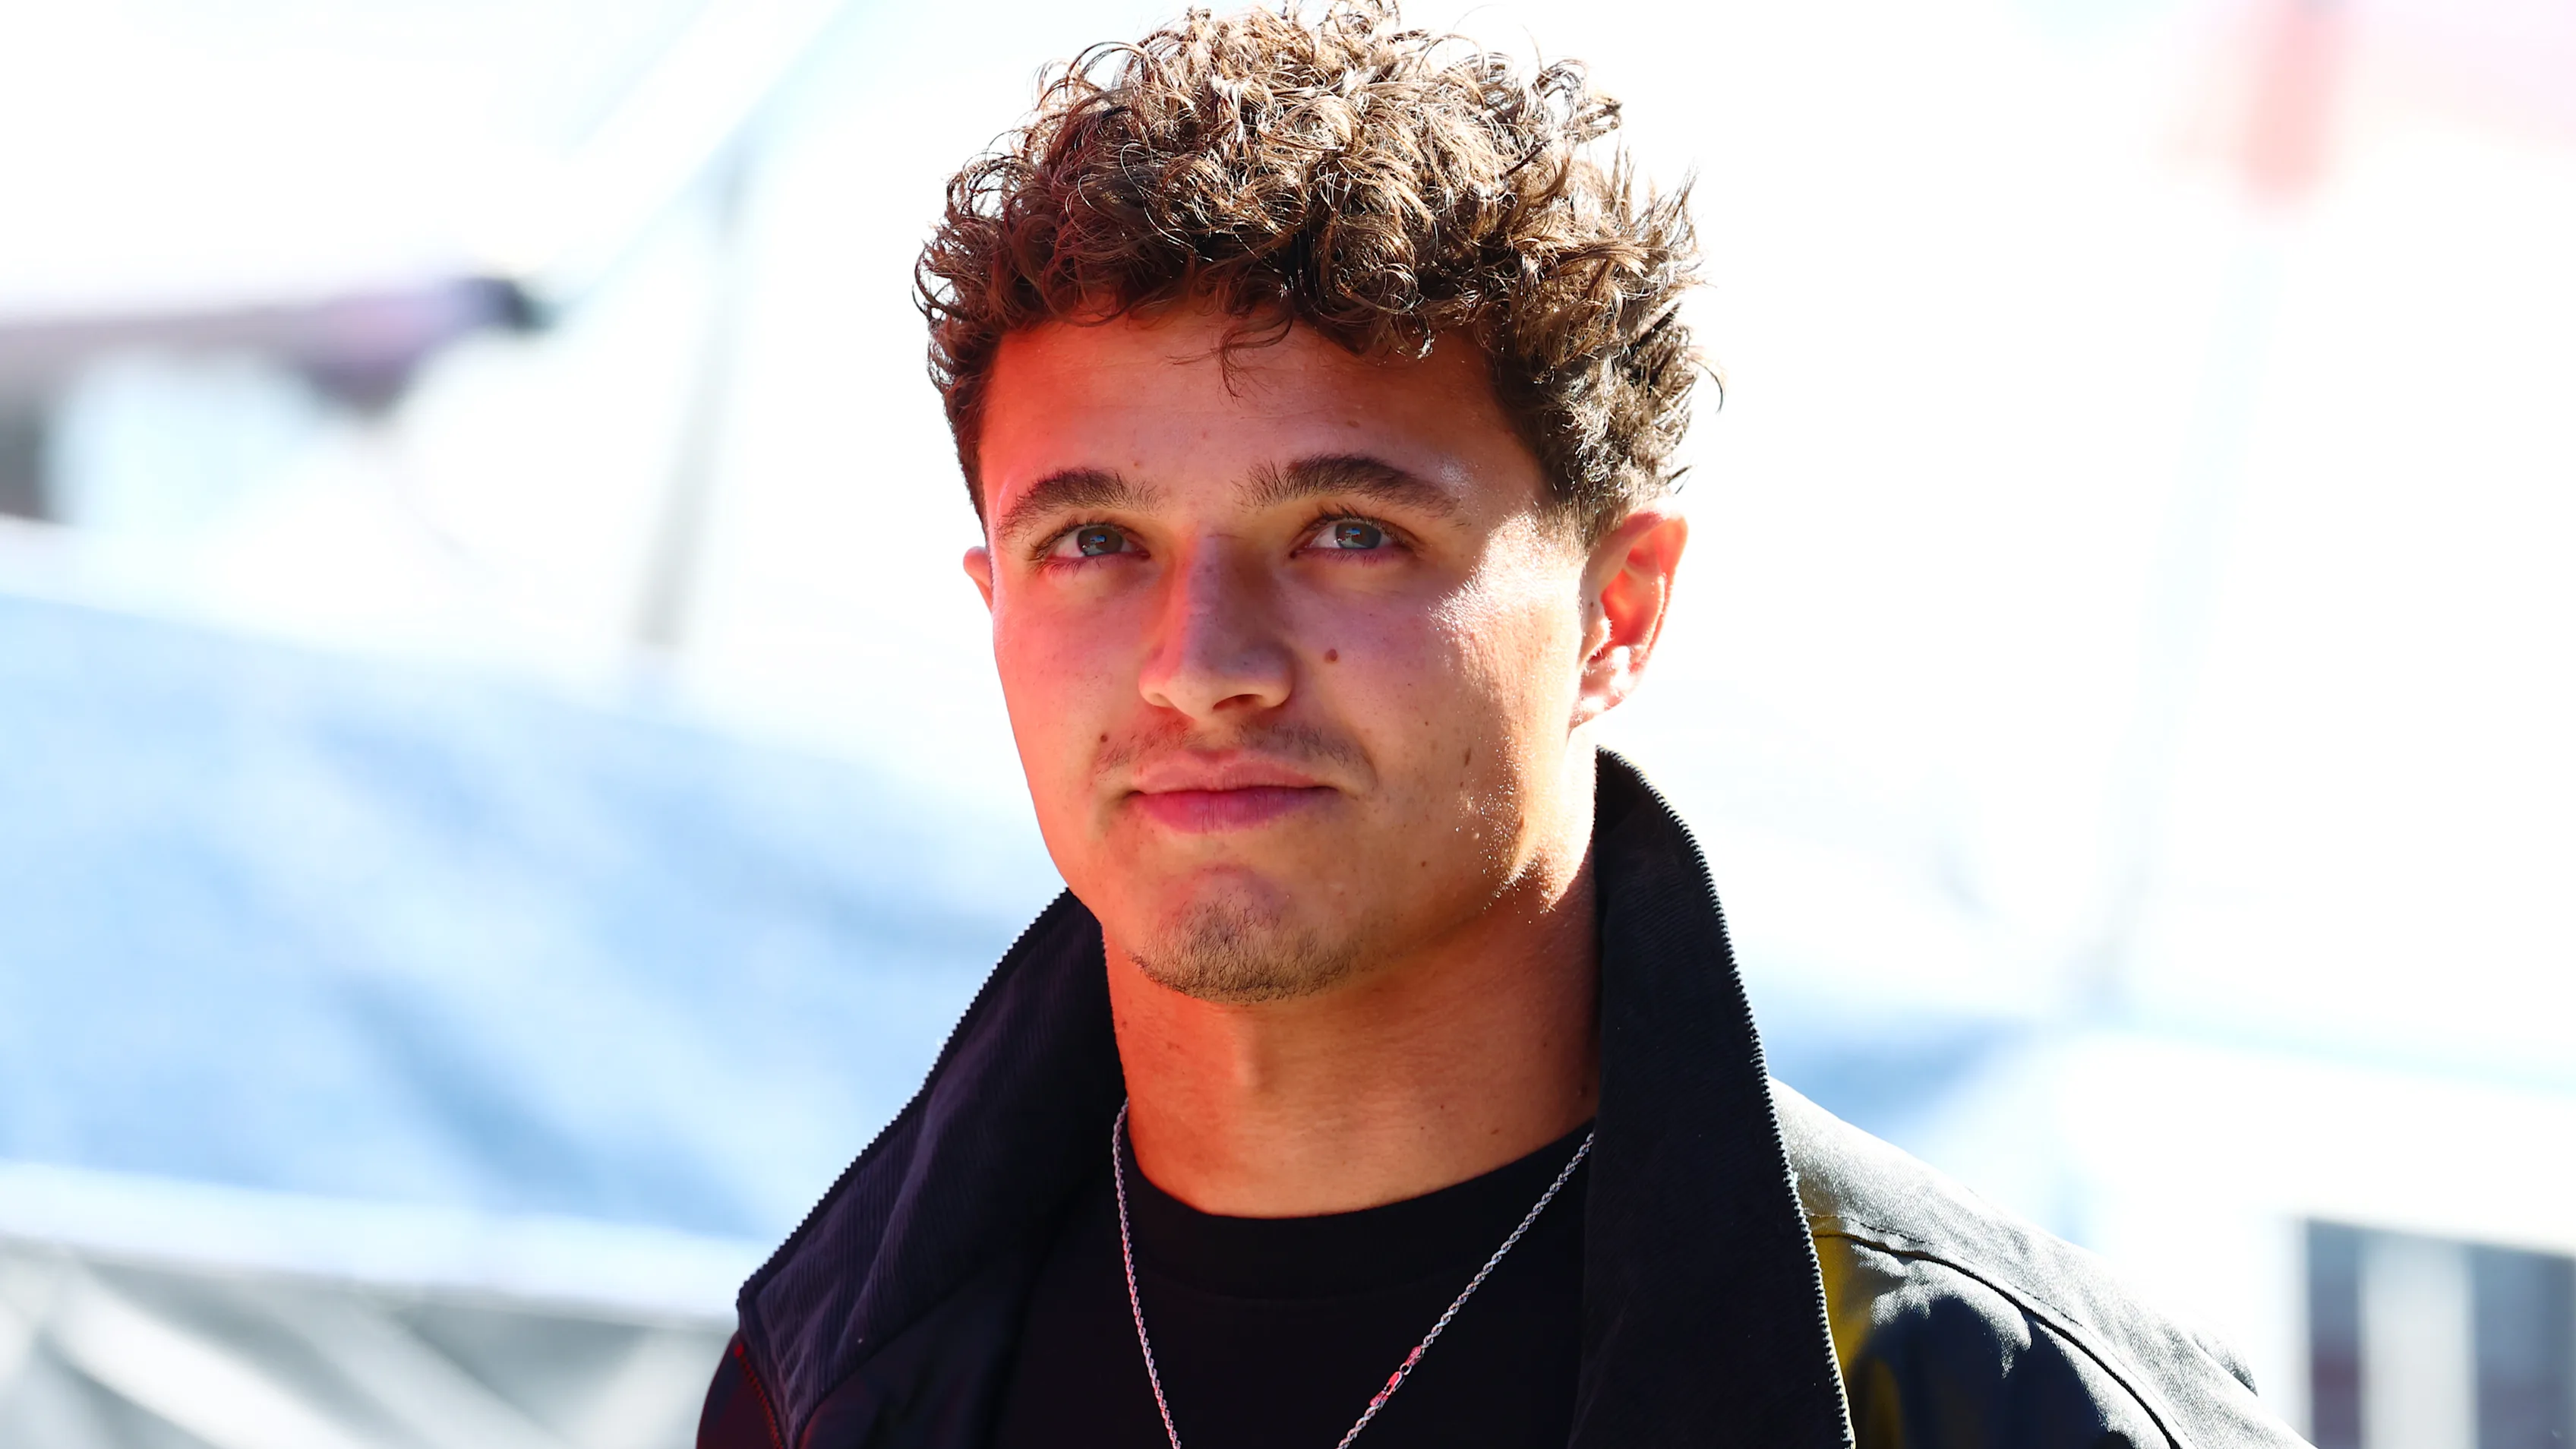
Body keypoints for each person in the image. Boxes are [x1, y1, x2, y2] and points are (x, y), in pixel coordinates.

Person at [698, 5, 2309, 1446]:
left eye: (1346, 531)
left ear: (1618, 612)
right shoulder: (817, 1386)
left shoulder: (2015, 1414)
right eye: (1095, 545)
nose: (1201, 664)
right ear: (993, 599)